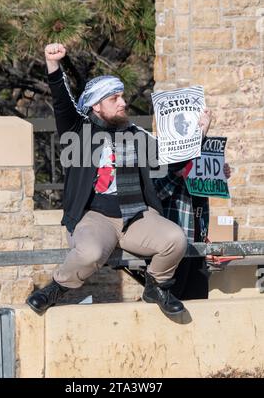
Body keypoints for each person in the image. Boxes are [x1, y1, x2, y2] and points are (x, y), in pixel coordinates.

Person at [27, 42, 211, 317]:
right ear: (97, 106)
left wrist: (200, 135)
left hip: (134, 215)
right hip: (95, 216)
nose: (124, 103)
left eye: (123, 97)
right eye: (115, 99)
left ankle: (156, 287)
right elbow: (62, 103)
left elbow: (171, 162)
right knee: (88, 254)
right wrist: (54, 66)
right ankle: (54, 288)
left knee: (175, 238)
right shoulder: (79, 130)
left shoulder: (135, 134)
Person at [154, 162, 231, 300]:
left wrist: (219, 174)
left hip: (198, 245)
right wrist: (174, 175)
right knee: (171, 300)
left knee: (199, 302)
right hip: (173, 248)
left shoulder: (201, 155)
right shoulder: (161, 154)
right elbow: (154, 194)